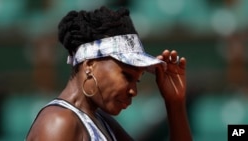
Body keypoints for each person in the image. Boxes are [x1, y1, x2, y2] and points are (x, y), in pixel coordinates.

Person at [26, 6, 192, 141]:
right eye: (127, 76)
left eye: (137, 81)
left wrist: (175, 103)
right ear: (90, 64)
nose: (134, 90)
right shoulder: (58, 123)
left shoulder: (102, 122)